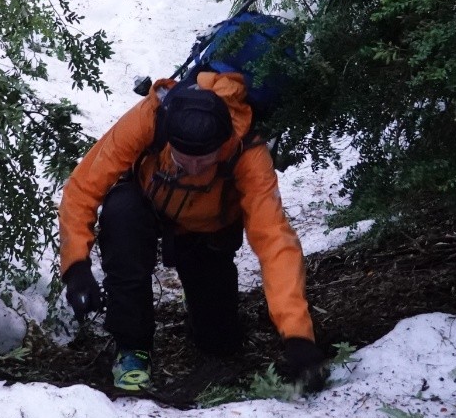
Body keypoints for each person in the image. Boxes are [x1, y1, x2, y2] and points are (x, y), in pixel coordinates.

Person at [57, 70, 327, 394]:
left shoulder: (248, 153)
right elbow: (83, 188)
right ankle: (132, 347)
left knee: (220, 344)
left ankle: (199, 299)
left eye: (205, 162)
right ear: (169, 139)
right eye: (184, 161)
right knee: (121, 215)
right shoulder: (151, 117)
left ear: (221, 144)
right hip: (146, 205)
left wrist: (298, 335)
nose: (195, 170)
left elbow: (274, 239)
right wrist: (75, 266)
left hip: (206, 230)